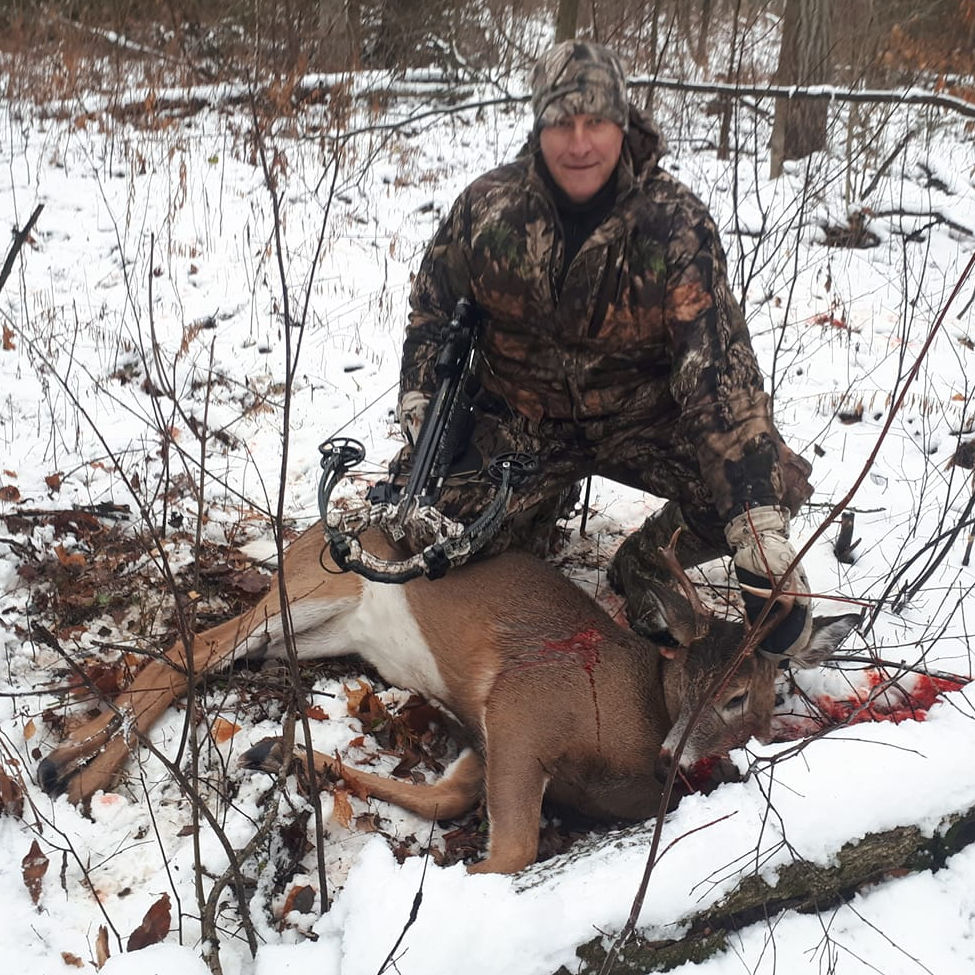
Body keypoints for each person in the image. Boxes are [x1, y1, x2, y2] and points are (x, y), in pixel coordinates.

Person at [388, 40, 815, 662]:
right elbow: (432, 311)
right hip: (524, 421)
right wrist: (421, 392)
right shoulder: (487, 208)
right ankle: (532, 514)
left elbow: (717, 371)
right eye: (563, 123)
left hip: (644, 418)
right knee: (434, 533)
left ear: (624, 125)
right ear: (539, 127)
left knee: (771, 481)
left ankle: (647, 558)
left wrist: (756, 525)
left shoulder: (675, 223)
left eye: (596, 122)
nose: (580, 143)